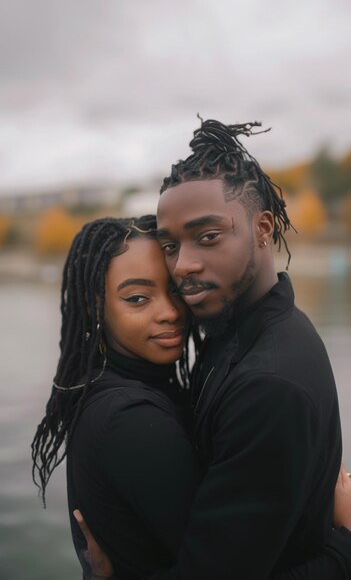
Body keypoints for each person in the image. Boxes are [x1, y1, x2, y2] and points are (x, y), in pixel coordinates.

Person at [76, 120, 351, 580]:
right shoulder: (227, 334)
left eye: (207, 237)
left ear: (263, 228)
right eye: (169, 244)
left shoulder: (268, 384)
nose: (183, 265)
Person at [31, 215, 202, 579]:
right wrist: (343, 542)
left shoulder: (125, 388)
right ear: (96, 306)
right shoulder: (130, 418)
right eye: (138, 298)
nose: (170, 313)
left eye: (175, 289)